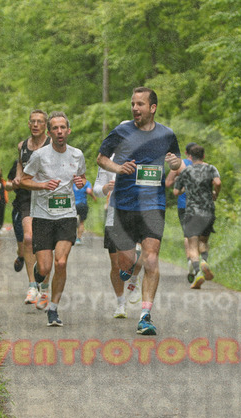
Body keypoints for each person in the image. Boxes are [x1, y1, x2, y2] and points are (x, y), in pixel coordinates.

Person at [97, 87, 181, 335]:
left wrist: (175, 163)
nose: (135, 108)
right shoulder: (121, 131)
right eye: (133, 104)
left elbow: (176, 161)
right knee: (126, 263)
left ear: (152, 108)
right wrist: (118, 168)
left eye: (140, 104)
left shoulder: (167, 134)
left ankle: (145, 316)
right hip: (123, 205)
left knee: (151, 258)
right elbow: (101, 158)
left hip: (153, 205)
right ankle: (130, 268)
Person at [21, 111, 86, 327]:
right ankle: (38, 276)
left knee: (61, 262)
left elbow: (82, 176)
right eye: (55, 128)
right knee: (45, 268)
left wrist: (80, 182)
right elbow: (24, 180)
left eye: (62, 127)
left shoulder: (77, 154)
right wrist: (41, 185)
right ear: (49, 133)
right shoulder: (39, 156)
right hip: (43, 216)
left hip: (67, 215)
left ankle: (53, 309)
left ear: (68, 131)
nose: (59, 131)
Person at [9, 110, 52, 308]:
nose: (35, 125)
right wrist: (18, 178)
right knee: (28, 238)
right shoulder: (22, 146)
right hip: (26, 196)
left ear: (45, 126)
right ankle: (32, 286)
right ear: (28, 124)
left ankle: (45, 289)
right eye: (32, 121)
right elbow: (20, 166)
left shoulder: (52, 144)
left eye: (39, 122)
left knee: (45, 244)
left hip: (46, 196)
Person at [93, 155, 143, 319]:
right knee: (116, 264)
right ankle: (121, 303)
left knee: (139, 252)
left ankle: (134, 280)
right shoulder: (108, 159)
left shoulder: (144, 155)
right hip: (114, 217)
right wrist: (106, 188)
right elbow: (96, 189)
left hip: (139, 213)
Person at [173, 144, 221, 289]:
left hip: (192, 212)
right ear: (203, 156)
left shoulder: (185, 171)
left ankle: (198, 271)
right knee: (203, 241)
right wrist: (215, 193)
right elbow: (217, 182)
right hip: (208, 211)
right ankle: (204, 261)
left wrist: (184, 189)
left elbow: (175, 192)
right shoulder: (211, 168)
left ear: (190, 157)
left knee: (192, 245)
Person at [165, 142, 197, 282]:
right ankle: (200, 260)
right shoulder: (204, 166)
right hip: (201, 205)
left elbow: (168, 183)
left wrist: (178, 180)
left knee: (187, 234)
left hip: (184, 204)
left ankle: (190, 259)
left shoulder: (179, 164)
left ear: (186, 153)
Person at [7, 160, 25, 272]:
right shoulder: (19, 163)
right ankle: (21, 256)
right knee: (22, 248)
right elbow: (7, 185)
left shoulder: (45, 159)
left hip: (39, 207)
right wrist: (14, 185)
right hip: (20, 206)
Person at [72, 179, 96, 245]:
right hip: (82, 204)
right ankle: (78, 239)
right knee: (81, 222)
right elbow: (89, 191)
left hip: (73, 205)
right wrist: (93, 197)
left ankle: (71, 237)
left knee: (71, 220)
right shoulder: (86, 182)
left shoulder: (73, 182)